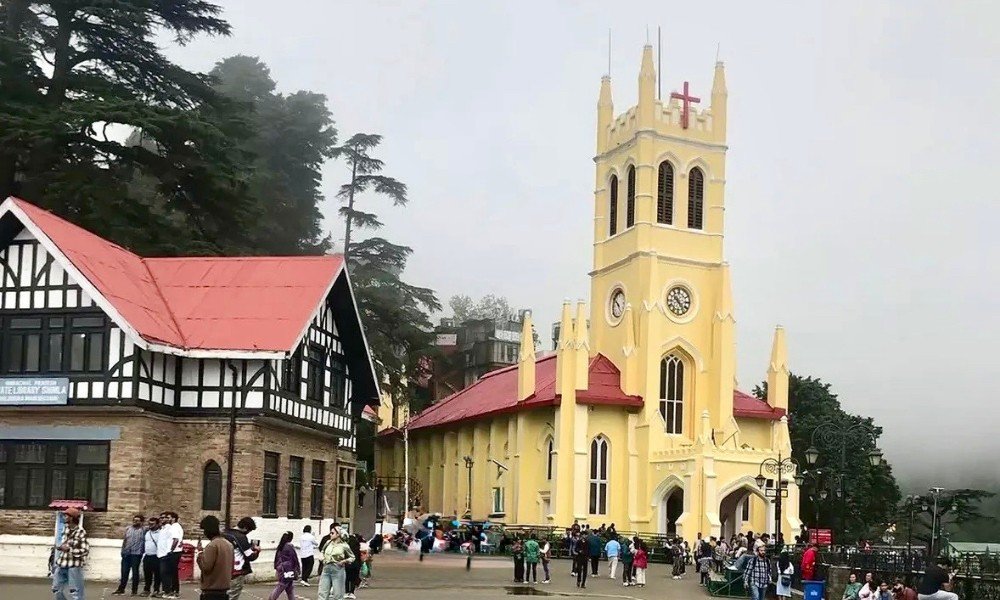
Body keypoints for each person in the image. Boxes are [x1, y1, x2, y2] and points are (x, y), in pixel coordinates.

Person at [52, 507, 89, 600]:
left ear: (72, 518)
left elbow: (85, 550)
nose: (64, 517)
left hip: (74, 566)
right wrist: (60, 547)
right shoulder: (65, 529)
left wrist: (70, 550)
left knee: (75, 592)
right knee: (56, 589)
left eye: (66, 515)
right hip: (62, 564)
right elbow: (64, 544)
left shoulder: (81, 532)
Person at [197, 516, 233, 600]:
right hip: (224, 589)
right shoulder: (228, 544)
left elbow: (206, 567)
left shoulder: (212, 545)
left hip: (212, 589)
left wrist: (200, 554)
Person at [224, 516, 261, 600]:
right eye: (249, 530)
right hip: (236, 572)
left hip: (223, 571)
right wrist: (257, 551)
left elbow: (237, 549)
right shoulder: (241, 537)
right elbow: (250, 556)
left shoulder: (225, 533)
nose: (248, 533)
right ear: (245, 528)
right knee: (232, 596)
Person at [318, 525, 355, 600]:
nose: (330, 534)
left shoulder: (344, 545)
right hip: (326, 568)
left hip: (337, 569)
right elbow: (322, 551)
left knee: (338, 594)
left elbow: (352, 557)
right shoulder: (328, 542)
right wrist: (322, 558)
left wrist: (344, 561)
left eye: (332, 533)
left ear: (338, 534)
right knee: (322, 593)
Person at [114, 514, 145, 596]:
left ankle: (134, 591)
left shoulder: (143, 530)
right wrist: (122, 550)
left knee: (135, 572)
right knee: (124, 572)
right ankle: (121, 589)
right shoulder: (128, 529)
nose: (135, 522)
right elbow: (125, 540)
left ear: (141, 522)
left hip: (136, 554)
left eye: (137, 521)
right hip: (126, 553)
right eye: (134, 520)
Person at [268, 531, 299, 600]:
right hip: (288, 569)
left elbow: (276, 558)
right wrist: (297, 568)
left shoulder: (280, 546)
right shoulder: (289, 546)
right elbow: (294, 558)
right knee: (282, 586)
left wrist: (276, 568)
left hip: (281, 568)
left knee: (289, 588)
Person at [157, 512, 181, 600]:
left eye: (167, 517)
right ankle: (168, 591)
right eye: (162, 517)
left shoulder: (172, 527)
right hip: (162, 553)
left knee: (166, 573)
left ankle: (169, 591)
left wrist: (170, 550)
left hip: (167, 553)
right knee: (166, 573)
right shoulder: (164, 528)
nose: (164, 519)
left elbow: (176, 539)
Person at [142, 516, 162, 598]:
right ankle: (147, 589)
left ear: (157, 524)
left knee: (157, 575)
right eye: (149, 523)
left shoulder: (161, 533)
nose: (150, 525)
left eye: (152, 524)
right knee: (147, 574)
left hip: (156, 556)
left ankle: (156, 590)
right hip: (147, 556)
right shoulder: (147, 532)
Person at [345, 533, 362, 599]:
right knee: (353, 579)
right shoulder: (357, 548)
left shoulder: (346, 548)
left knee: (346, 579)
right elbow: (358, 558)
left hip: (347, 564)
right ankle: (351, 592)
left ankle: (346, 592)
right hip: (355, 565)